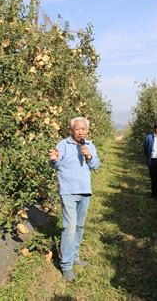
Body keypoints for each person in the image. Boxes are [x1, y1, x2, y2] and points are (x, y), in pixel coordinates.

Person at [49, 117, 100, 282]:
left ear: (87, 131)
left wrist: (89, 156)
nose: (80, 132)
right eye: (77, 129)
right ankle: (66, 265)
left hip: (85, 191)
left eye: (83, 129)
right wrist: (54, 160)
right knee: (69, 228)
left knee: (79, 226)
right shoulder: (63, 145)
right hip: (69, 191)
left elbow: (96, 166)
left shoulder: (89, 145)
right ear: (72, 130)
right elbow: (54, 163)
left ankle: (75, 255)